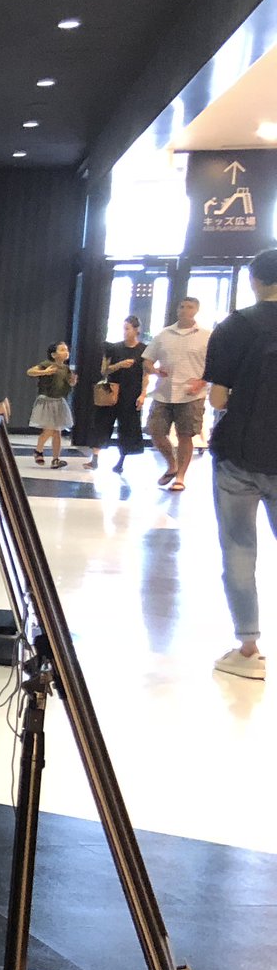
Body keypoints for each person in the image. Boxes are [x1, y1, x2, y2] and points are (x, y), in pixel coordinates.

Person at [206, 246, 277, 682]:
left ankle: (248, 649)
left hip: (239, 455)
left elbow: (217, 398)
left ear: (254, 280)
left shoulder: (234, 326)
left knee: (238, 548)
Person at [147, 296, 210, 491]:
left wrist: (202, 382)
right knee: (155, 430)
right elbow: (147, 360)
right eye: (181, 306)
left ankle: (180, 476)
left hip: (191, 394)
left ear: (196, 310)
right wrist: (154, 370)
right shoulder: (164, 334)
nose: (184, 310)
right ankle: (171, 464)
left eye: (189, 307)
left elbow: (215, 364)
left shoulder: (206, 336)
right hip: (164, 392)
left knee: (185, 435)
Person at [91, 316, 149, 474]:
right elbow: (104, 370)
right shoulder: (114, 348)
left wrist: (143, 394)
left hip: (132, 392)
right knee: (103, 422)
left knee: (127, 426)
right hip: (112, 389)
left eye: (127, 328)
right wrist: (119, 365)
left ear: (136, 330)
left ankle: (121, 460)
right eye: (124, 328)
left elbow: (145, 374)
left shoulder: (143, 350)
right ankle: (95, 457)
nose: (125, 332)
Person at [26, 342, 75, 468]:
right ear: (53, 355)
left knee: (57, 431)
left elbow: (66, 384)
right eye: (62, 350)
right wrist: (45, 372)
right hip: (47, 401)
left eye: (67, 350)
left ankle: (55, 459)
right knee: (50, 429)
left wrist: (72, 382)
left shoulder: (66, 369)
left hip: (59, 402)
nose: (66, 352)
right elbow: (30, 372)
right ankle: (38, 450)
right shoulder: (47, 364)